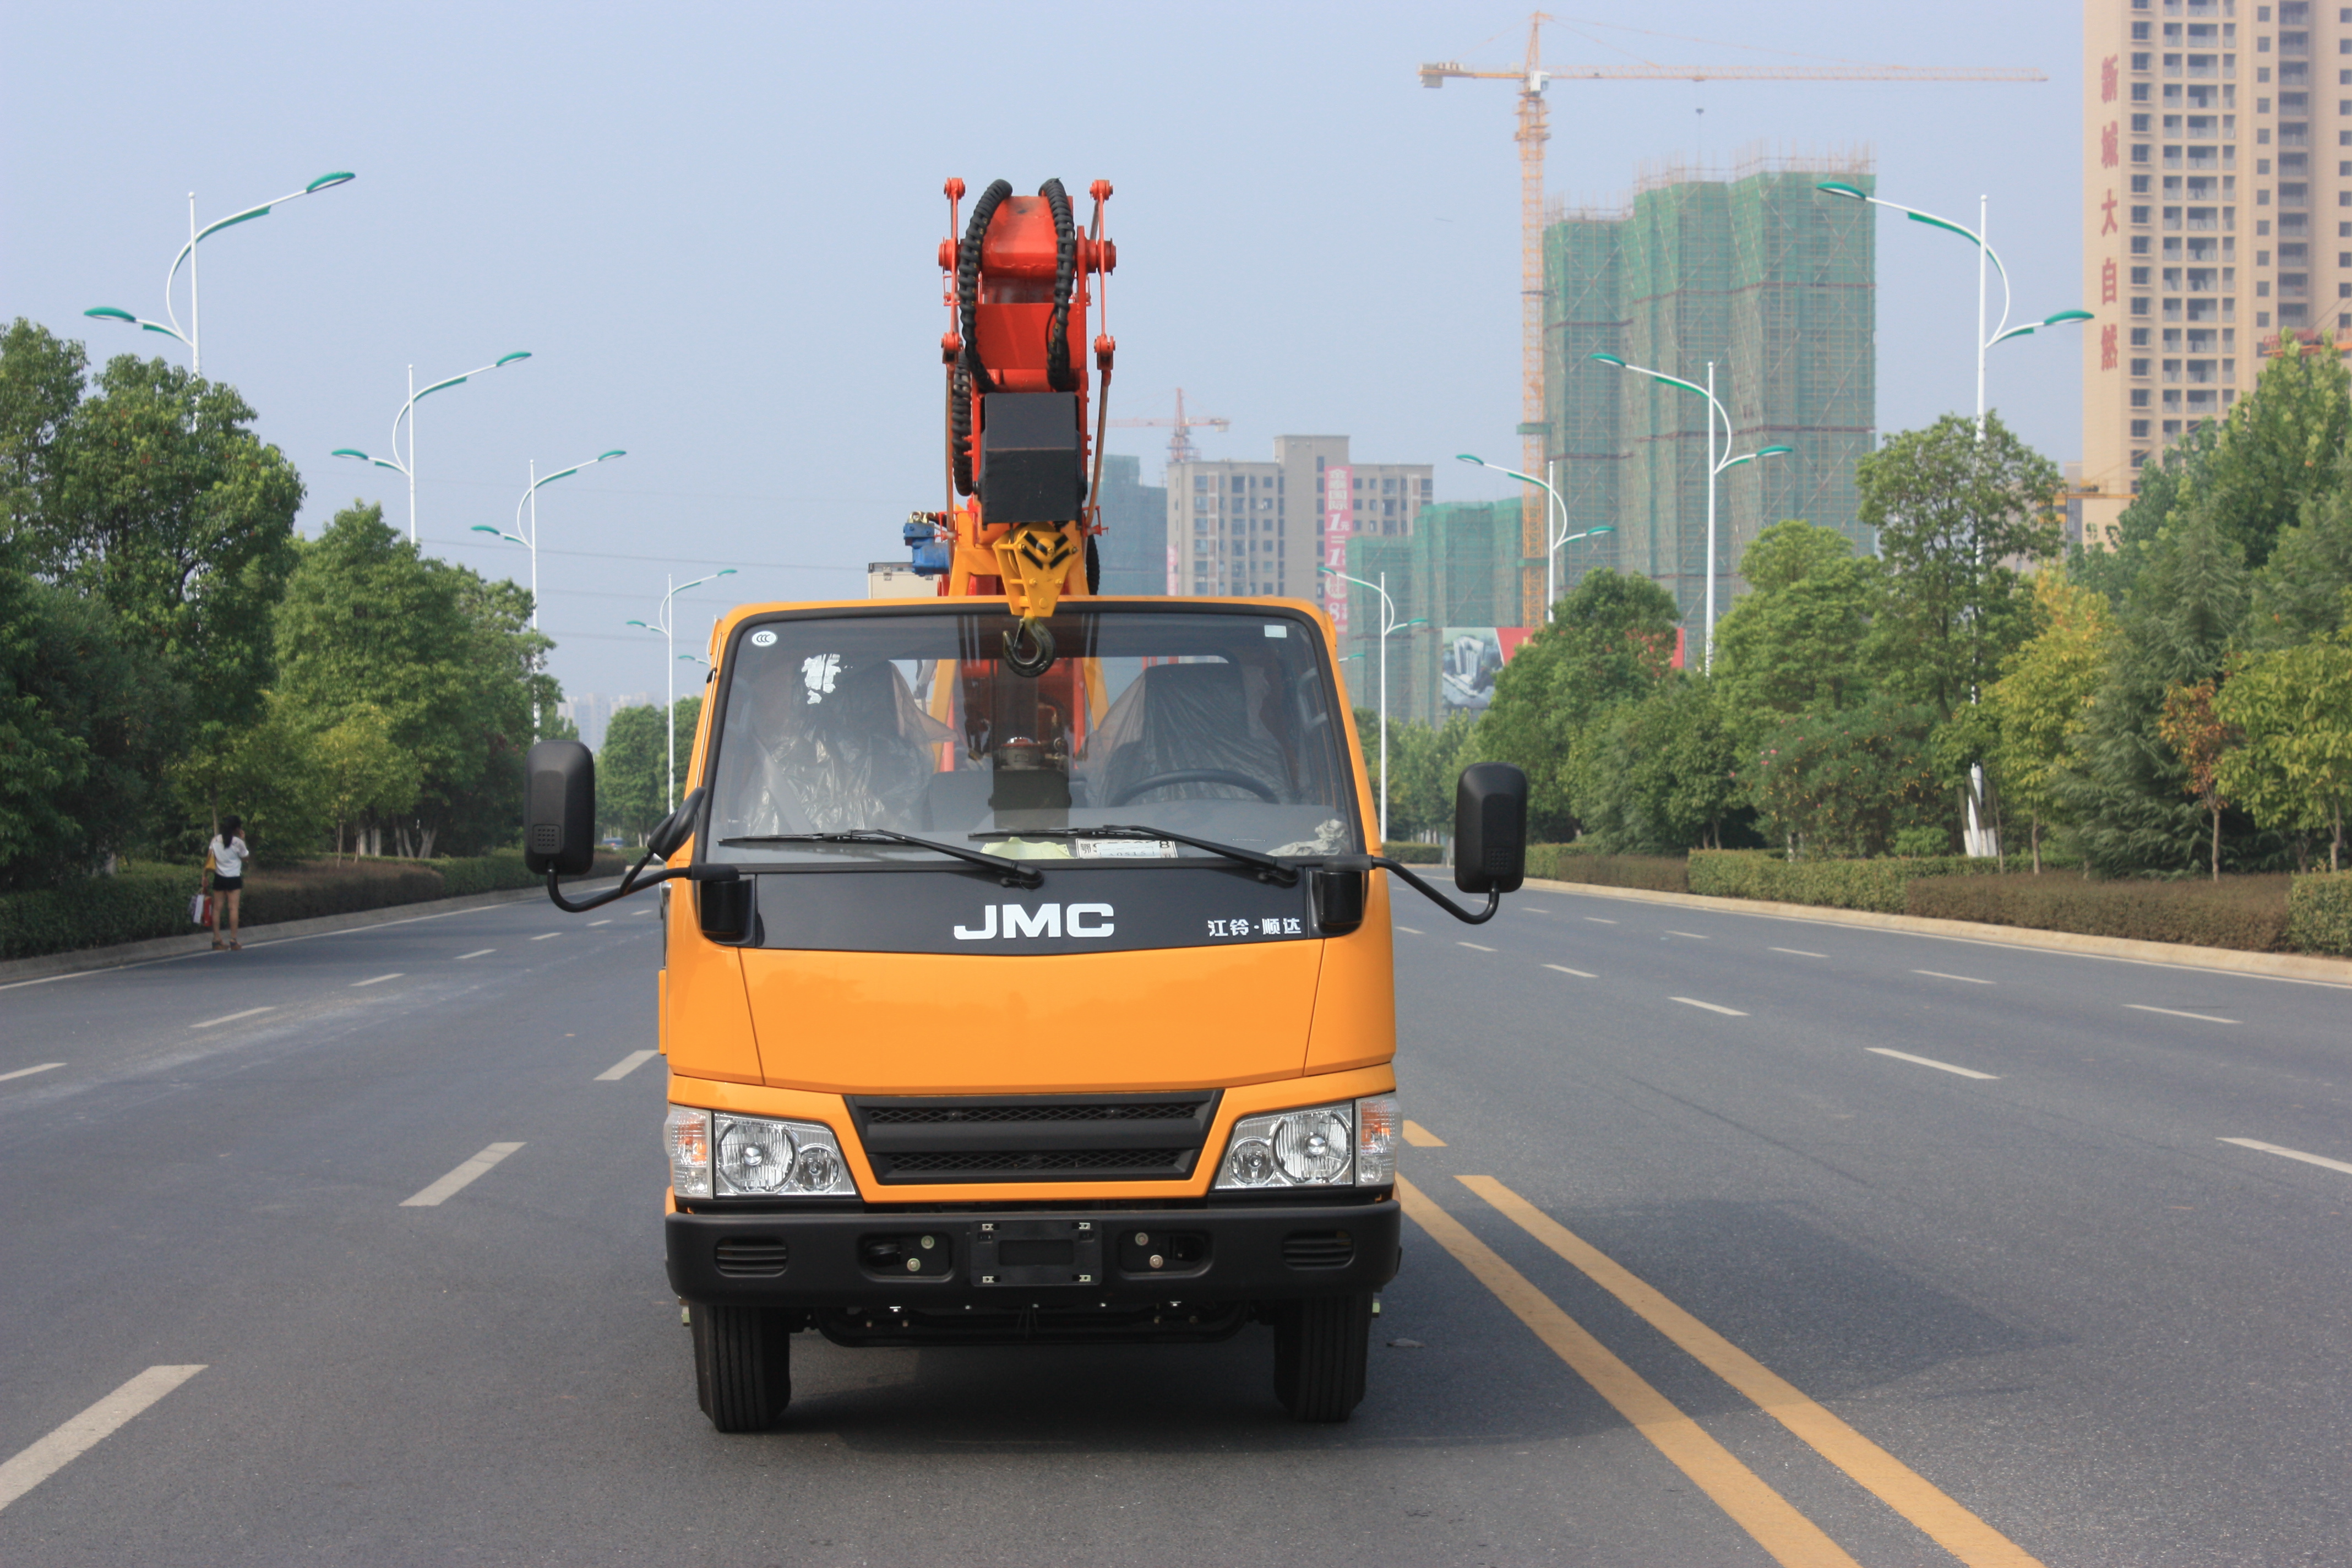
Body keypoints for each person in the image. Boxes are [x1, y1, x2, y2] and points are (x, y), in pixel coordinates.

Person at [208, 815, 250, 952]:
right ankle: (233, 940)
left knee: (217, 909)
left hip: (219, 877)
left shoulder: (215, 840)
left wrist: (205, 876)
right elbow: (245, 858)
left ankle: (217, 940)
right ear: (237, 828)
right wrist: (243, 840)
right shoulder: (238, 842)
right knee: (233, 909)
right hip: (234, 878)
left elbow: (209, 858)